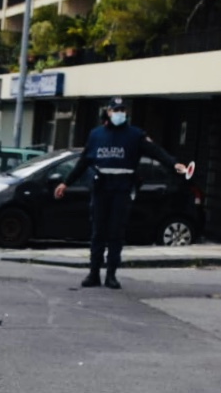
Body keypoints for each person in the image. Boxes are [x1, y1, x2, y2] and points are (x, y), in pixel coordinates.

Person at [54, 97, 187, 290]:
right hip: (101, 188)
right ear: (107, 112)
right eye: (115, 109)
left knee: (116, 233)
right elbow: (83, 162)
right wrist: (66, 183)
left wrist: (174, 164)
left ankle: (111, 275)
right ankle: (93, 273)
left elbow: (156, 152)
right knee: (98, 232)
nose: (119, 113)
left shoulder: (135, 135)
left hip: (122, 189)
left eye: (122, 109)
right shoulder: (96, 135)